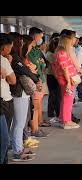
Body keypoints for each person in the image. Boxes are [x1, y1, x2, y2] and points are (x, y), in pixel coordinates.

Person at [8, 32, 37, 161]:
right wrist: (36, 78)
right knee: (19, 123)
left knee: (18, 123)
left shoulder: (14, 57)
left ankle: (17, 147)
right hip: (18, 93)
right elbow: (25, 71)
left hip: (20, 93)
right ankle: (17, 151)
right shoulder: (14, 57)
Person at [53, 35, 80, 129]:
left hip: (63, 79)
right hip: (67, 80)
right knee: (68, 100)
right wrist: (68, 82)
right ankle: (67, 121)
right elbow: (65, 68)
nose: (71, 44)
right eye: (69, 42)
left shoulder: (57, 52)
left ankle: (62, 118)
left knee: (65, 99)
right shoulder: (62, 53)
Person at [27, 27, 51, 132]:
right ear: (34, 36)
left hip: (40, 78)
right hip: (35, 80)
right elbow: (36, 66)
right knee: (35, 106)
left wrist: (41, 64)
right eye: (40, 37)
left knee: (39, 103)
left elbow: (42, 65)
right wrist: (40, 64)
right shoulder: (29, 51)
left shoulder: (36, 50)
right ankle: (35, 129)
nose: (41, 39)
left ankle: (39, 122)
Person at [0, 33, 16, 164]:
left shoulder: (5, 60)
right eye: (9, 47)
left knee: (3, 138)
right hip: (4, 100)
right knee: (4, 138)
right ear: (4, 48)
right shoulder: (3, 60)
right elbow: (13, 80)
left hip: (5, 100)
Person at [46, 35, 60, 124]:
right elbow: (55, 65)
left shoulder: (51, 53)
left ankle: (52, 112)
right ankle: (51, 113)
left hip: (53, 76)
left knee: (54, 95)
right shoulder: (51, 55)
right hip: (52, 76)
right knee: (54, 95)